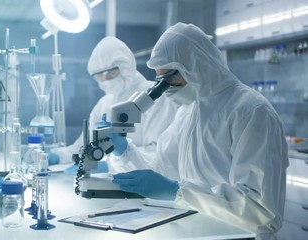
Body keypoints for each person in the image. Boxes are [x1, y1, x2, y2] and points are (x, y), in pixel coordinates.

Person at [109, 23, 289, 239]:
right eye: (161, 81)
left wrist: (177, 192)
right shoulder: (188, 113)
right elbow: (160, 172)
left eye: (171, 78)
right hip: (197, 231)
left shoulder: (251, 111)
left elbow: (261, 211)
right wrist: (124, 152)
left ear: (197, 65)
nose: (166, 88)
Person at [48, 36, 179, 171]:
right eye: (99, 76)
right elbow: (83, 147)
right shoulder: (104, 104)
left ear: (125, 66)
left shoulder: (154, 98)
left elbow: (157, 152)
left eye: (110, 73)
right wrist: (58, 156)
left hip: (144, 181)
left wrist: (109, 165)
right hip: (108, 182)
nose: (105, 80)